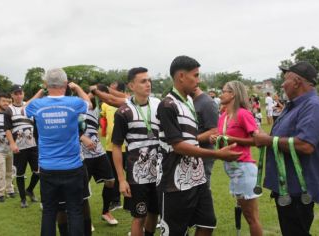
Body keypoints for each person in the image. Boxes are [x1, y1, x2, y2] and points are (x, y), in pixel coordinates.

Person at [156, 55, 241, 236]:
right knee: (175, 231)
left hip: (197, 176)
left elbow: (190, 138)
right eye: (195, 75)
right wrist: (217, 154)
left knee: (207, 223)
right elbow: (177, 145)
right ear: (181, 76)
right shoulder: (167, 105)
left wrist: (207, 139)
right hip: (174, 182)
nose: (198, 80)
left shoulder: (188, 103)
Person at [254, 61, 319, 236]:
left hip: (298, 188)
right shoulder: (294, 106)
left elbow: (306, 145)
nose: (282, 84)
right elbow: (277, 139)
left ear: (296, 81)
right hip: (287, 186)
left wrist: (267, 139)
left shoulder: (313, 106)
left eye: (285, 79)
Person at [24, 68, 90, 236]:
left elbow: (25, 108)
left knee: (49, 212)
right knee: (75, 211)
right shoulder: (74, 103)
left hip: (48, 168)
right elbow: (88, 103)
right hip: (72, 167)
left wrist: (40, 92)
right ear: (66, 84)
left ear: (47, 85)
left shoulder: (38, 105)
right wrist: (78, 89)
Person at [112, 67, 160, 236]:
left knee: (155, 212)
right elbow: (116, 146)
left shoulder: (159, 105)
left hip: (160, 172)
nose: (148, 84)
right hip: (137, 176)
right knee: (139, 216)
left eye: (149, 80)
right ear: (131, 86)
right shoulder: (123, 112)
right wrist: (121, 180)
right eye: (143, 81)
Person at [211, 81, 263, 236]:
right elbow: (225, 143)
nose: (221, 94)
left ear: (232, 94)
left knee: (251, 217)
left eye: (223, 91)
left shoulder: (243, 113)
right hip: (232, 169)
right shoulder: (223, 117)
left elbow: (257, 141)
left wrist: (232, 138)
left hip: (243, 168)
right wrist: (217, 140)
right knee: (248, 216)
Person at [81, 94, 118, 225]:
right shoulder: (74, 111)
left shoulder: (95, 110)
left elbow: (92, 96)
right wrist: (83, 138)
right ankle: (84, 218)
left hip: (99, 153)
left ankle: (105, 212)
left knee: (111, 181)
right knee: (82, 188)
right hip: (83, 156)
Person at [5, 84, 39, 208]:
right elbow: (7, 129)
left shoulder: (30, 107)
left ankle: (29, 190)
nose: (19, 95)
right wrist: (12, 143)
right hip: (19, 146)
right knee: (20, 173)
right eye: (16, 93)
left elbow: (36, 125)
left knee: (38, 171)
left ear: (23, 94)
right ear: (12, 95)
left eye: (20, 93)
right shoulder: (9, 110)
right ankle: (23, 199)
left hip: (33, 145)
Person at [193, 87, 219, 188]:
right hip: (192, 152)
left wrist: (190, 140)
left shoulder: (207, 103)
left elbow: (214, 131)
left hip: (204, 154)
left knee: (203, 189)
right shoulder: (189, 101)